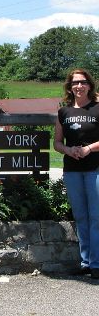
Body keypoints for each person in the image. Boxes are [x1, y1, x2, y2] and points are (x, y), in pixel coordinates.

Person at [54, 68, 99, 278]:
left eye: (82, 82)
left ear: (89, 84)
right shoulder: (63, 112)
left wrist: (89, 148)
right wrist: (68, 150)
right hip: (72, 170)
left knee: (96, 217)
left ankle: (96, 264)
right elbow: (56, 142)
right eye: (74, 83)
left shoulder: (98, 108)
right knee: (80, 216)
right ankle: (85, 262)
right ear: (69, 87)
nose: (78, 86)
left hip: (95, 169)